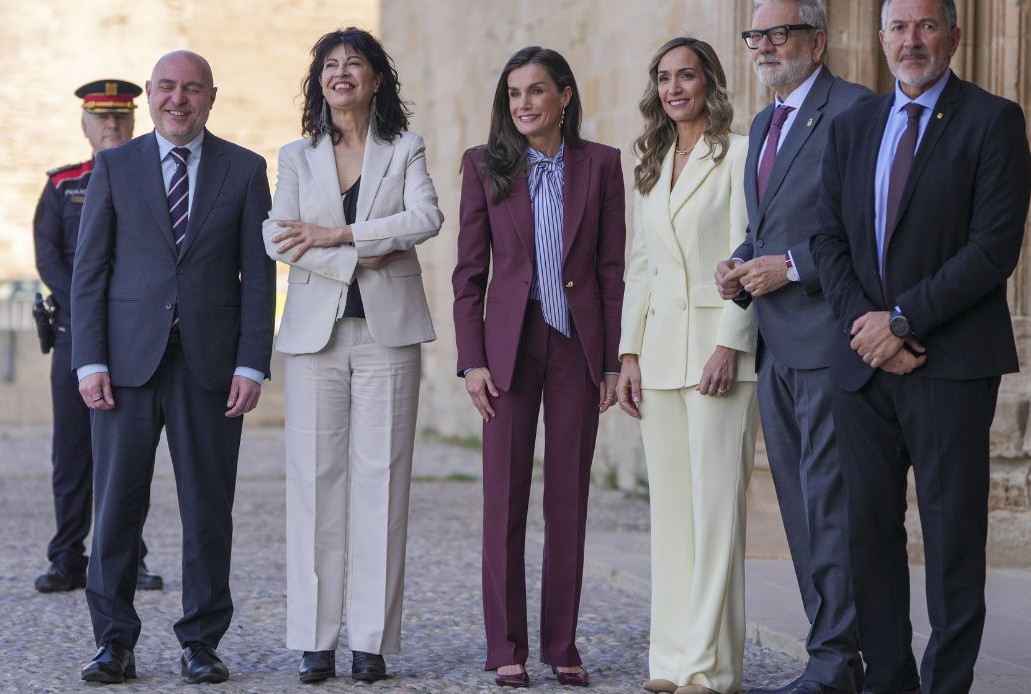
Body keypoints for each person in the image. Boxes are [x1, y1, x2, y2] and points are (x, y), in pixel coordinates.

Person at [810, 0, 1031, 691]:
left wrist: (900, 322)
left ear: (953, 36)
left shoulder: (991, 120)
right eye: (899, 28)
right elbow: (826, 241)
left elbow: (991, 249)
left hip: (950, 365)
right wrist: (867, 330)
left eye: (926, 26)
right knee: (868, 537)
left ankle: (945, 684)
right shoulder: (852, 128)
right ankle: (887, 682)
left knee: (951, 540)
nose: (912, 41)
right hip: (861, 369)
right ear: (879, 39)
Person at [71, 50, 275, 685]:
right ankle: (113, 643)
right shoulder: (114, 166)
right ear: (152, 96)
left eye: (191, 88)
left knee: (208, 511)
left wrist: (252, 363)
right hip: (126, 367)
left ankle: (201, 642)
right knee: (116, 512)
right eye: (166, 87)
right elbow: (90, 271)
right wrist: (89, 360)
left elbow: (259, 277)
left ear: (212, 95)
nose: (176, 99)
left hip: (210, 368)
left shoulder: (244, 170)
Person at [262, 27, 443, 685]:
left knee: (382, 484)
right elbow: (277, 240)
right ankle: (314, 639)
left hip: (387, 336)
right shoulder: (295, 155)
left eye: (354, 64)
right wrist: (369, 248)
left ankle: (369, 641)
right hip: (315, 338)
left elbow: (424, 219)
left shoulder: (405, 147)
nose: (341, 73)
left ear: (374, 79)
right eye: (329, 66)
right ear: (318, 83)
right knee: (313, 483)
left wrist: (336, 236)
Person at [452, 45, 625, 689]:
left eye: (536, 91)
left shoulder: (601, 165)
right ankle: (505, 646)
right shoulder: (483, 166)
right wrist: (472, 361)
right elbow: (470, 274)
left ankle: (562, 644)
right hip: (508, 352)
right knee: (504, 499)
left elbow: (611, 270)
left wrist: (609, 362)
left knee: (568, 501)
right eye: (514, 94)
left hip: (576, 349)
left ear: (564, 97)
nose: (523, 104)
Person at [714, 2, 873, 692]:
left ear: (818, 40)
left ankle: (836, 659)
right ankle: (833, 651)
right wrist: (740, 263)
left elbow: (869, 228)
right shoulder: (762, 121)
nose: (764, 46)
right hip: (774, 343)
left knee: (831, 506)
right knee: (800, 509)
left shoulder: (854, 110)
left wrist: (793, 265)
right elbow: (769, 222)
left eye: (780, 33)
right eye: (756, 35)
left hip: (829, 340)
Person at [617, 37, 757, 694]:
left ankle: (710, 668)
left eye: (687, 76)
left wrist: (731, 340)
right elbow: (641, 267)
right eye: (664, 78)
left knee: (716, 513)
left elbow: (749, 251)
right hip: (661, 354)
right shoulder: (649, 162)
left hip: (716, 352)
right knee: (671, 516)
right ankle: (670, 663)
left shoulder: (740, 155)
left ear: (710, 83)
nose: (675, 88)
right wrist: (628, 354)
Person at [32, 79, 163, 595]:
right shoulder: (64, 185)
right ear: (85, 125)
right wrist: (91, 309)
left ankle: (133, 556)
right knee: (72, 453)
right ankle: (67, 556)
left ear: (134, 122)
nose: (112, 126)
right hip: (75, 334)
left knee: (131, 451)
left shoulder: (156, 178)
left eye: (121, 118)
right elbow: (49, 256)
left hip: (135, 338)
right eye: (101, 118)